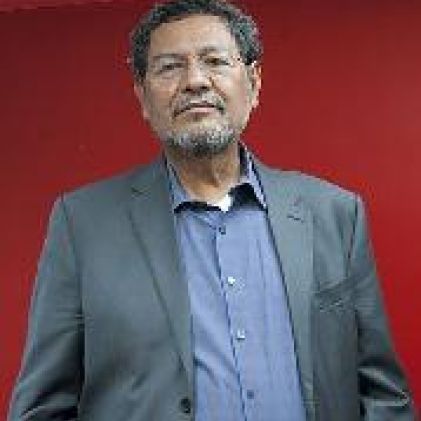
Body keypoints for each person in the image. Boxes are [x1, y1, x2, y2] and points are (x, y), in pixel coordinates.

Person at [8, 0, 415, 420]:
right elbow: (42, 408)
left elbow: (384, 396)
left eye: (215, 61)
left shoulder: (334, 215)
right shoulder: (83, 225)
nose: (195, 81)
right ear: (142, 96)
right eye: (170, 67)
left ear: (253, 83)